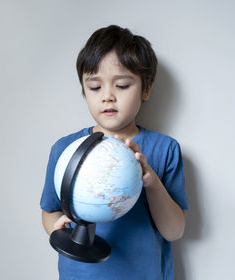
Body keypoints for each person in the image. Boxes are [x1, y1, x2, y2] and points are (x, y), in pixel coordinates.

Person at [40, 25, 188, 280]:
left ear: (146, 89)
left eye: (121, 85)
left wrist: (151, 181)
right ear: (84, 92)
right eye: (95, 88)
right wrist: (55, 227)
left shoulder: (165, 149)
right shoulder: (65, 150)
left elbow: (174, 231)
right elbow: (50, 209)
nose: (107, 96)